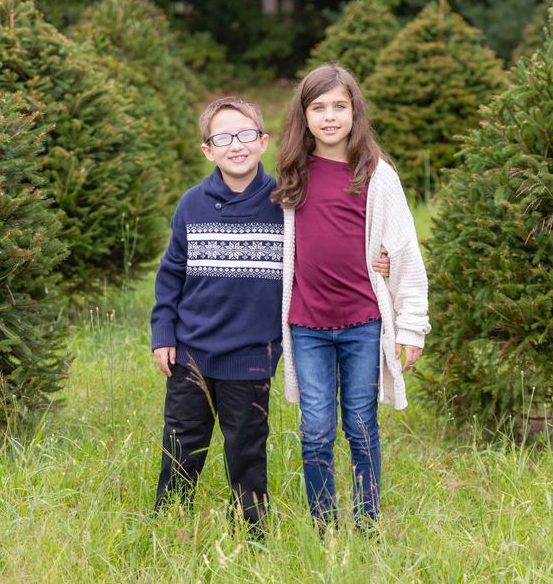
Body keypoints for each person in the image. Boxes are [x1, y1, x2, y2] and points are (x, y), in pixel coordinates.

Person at [150, 95, 389, 532]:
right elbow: (171, 273)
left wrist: (379, 260)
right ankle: (168, 523)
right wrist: (163, 332)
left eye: (246, 135)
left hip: (252, 354)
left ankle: (252, 530)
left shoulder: (286, 201)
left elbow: (325, 245)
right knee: (183, 443)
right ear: (207, 150)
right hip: (190, 352)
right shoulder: (191, 204)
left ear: (263, 141)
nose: (236, 145)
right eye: (223, 138)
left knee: (246, 448)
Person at [273, 64, 430, 527]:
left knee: (361, 427)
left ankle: (367, 523)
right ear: (304, 116)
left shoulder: (377, 176)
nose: (329, 117)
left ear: (355, 112)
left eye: (339, 106)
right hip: (307, 326)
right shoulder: (293, 174)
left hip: (363, 323)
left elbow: (403, 251)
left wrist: (411, 326)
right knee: (315, 431)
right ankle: (323, 525)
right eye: (318, 107)